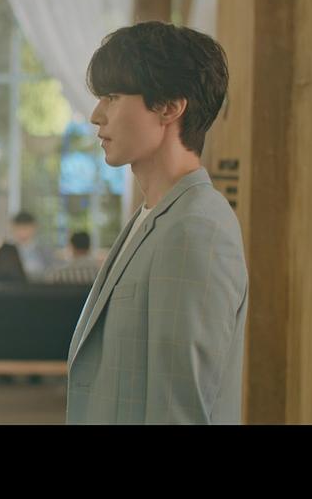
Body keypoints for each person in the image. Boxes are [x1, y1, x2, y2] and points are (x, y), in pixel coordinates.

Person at [67, 22, 248, 424]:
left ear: (169, 107)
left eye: (113, 97)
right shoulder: (156, 215)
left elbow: (178, 410)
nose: (96, 115)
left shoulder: (195, 228)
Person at [6, 211, 57, 280]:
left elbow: (52, 271)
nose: (22, 233)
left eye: (25, 228)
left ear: (34, 227)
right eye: (19, 229)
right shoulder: (7, 251)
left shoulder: (45, 250)